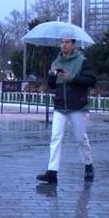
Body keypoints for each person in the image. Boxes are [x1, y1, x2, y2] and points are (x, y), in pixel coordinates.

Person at [36, 38, 97, 184]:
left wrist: (73, 78)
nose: (64, 45)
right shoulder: (57, 62)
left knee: (80, 138)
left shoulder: (82, 61)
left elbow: (91, 80)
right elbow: (52, 85)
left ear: (73, 44)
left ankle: (88, 165)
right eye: (62, 42)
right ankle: (52, 172)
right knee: (56, 138)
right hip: (60, 106)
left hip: (77, 106)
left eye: (67, 42)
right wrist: (51, 76)